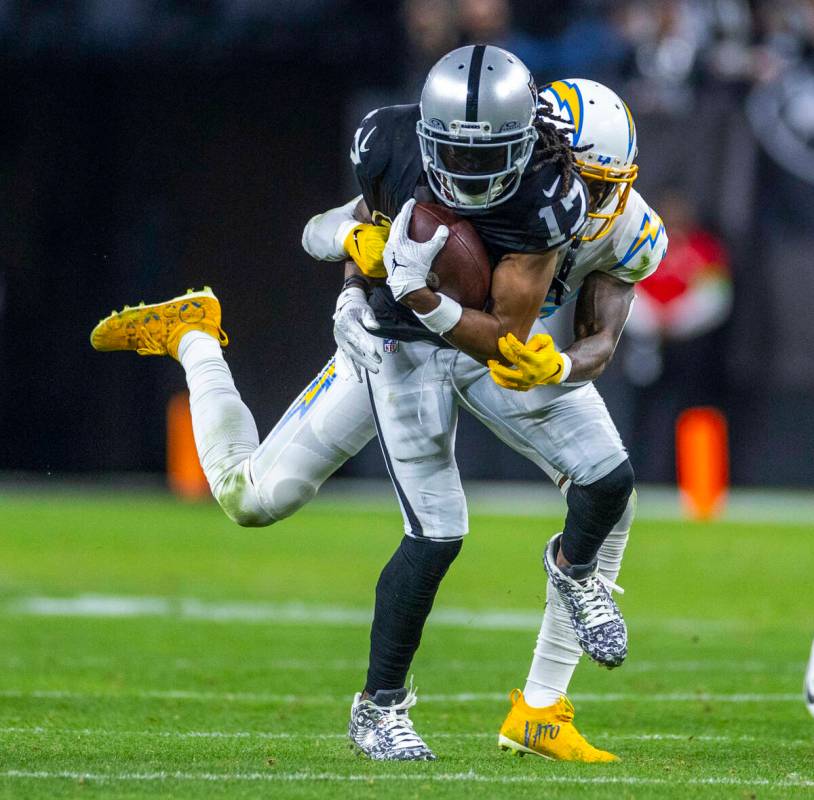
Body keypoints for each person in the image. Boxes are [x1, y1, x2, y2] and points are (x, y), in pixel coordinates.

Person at [90, 59, 665, 762]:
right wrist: (354, 291)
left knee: (609, 484)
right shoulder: (456, 159)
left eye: (609, 185)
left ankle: (542, 704)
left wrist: (565, 364)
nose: (593, 198)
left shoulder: (591, 213)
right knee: (252, 499)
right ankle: (195, 338)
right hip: (405, 343)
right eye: (586, 178)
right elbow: (343, 228)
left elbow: (597, 334)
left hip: (493, 347)